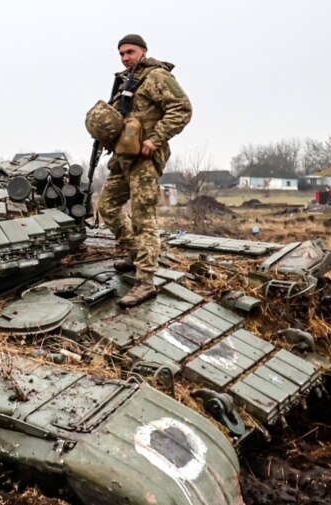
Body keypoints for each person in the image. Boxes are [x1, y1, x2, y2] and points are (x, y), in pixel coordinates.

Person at [96, 34, 192, 307]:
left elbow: (182, 108)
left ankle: (145, 281)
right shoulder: (126, 80)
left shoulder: (156, 76)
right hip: (124, 158)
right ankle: (135, 251)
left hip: (145, 158)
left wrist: (156, 138)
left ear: (143, 51)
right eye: (122, 54)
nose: (126, 57)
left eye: (130, 52)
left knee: (143, 217)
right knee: (107, 206)